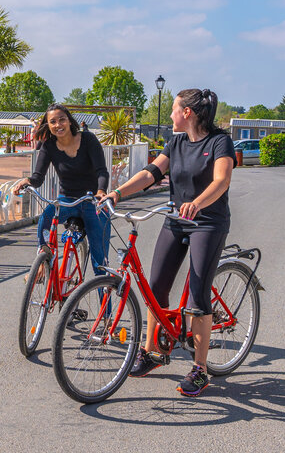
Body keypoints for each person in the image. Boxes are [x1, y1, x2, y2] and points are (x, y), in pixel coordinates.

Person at [98, 88, 234, 397]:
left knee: (198, 295)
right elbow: (151, 174)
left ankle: (200, 370)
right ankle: (151, 352)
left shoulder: (218, 141)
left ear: (187, 113)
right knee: (156, 287)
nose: (171, 114)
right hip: (176, 219)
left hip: (207, 222)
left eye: (174, 109)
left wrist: (198, 203)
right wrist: (118, 193)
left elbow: (221, 180)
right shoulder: (176, 143)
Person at [11, 104, 110, 277]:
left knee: (100, 265)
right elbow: (38, 177)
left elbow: (102, 171)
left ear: (69, 121)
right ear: (48, 126)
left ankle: (105, 301)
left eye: (62, 119)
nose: (58, 125)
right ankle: (44, 260)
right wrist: (26, 181)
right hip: (67, 200)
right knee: (46, 218)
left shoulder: (88, 139)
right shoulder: (49, 146)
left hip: (92, 202)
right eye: (53, 122)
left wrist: (101, 191)